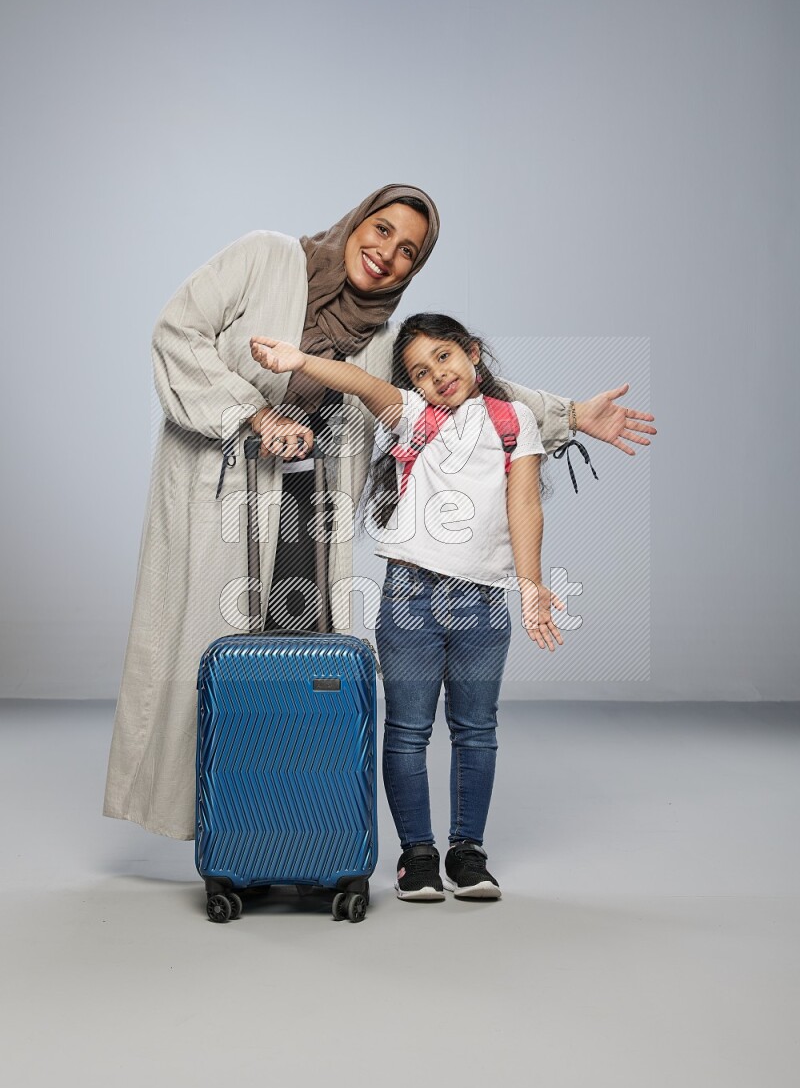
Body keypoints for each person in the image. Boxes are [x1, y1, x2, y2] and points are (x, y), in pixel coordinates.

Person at [104, 184, 656, 843]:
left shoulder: (383, 340)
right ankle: (221, 831)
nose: (387, 253)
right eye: (383, 229)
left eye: (408, 251)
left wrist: (568, 413)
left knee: (300, 663)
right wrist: (252, 413)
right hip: (219, 489)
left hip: (307, 511)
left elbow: (467, 396)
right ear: (357, 220)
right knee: (208, 650)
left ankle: (288, 831)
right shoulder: (265, 258)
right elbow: (178, 331)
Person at [250, 313, 570, 901]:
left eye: (445, 357)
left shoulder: (512, 419)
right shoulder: (412, 416)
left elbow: (525, 503)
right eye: (421, 372)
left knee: (476, 730)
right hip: (410, 597)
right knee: (407, 731)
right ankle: (416, 857)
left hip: (484, 601)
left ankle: (468, 854)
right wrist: (297, 362)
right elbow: (354, 380)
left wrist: (531, 585)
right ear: (414, 386)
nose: (437, 376)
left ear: (472, 353)